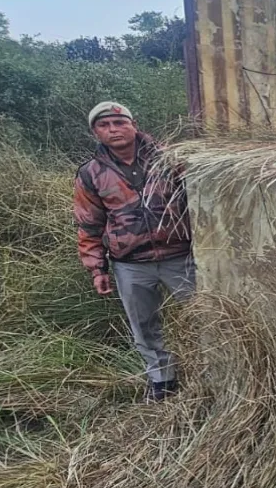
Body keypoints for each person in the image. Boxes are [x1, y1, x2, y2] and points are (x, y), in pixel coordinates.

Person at [73, 101, 194, 402]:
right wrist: (96, 268)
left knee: (204, 314)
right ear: (95, 132)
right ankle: (162, 381)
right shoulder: (91, 173)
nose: (113, 130)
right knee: (144, 325)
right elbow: (88, 224)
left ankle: (217, 371)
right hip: (130, 264)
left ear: (133, 124)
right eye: (104, 125)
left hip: (180, 256)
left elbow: (197, 202)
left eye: (119, 123)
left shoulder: (170, 158)